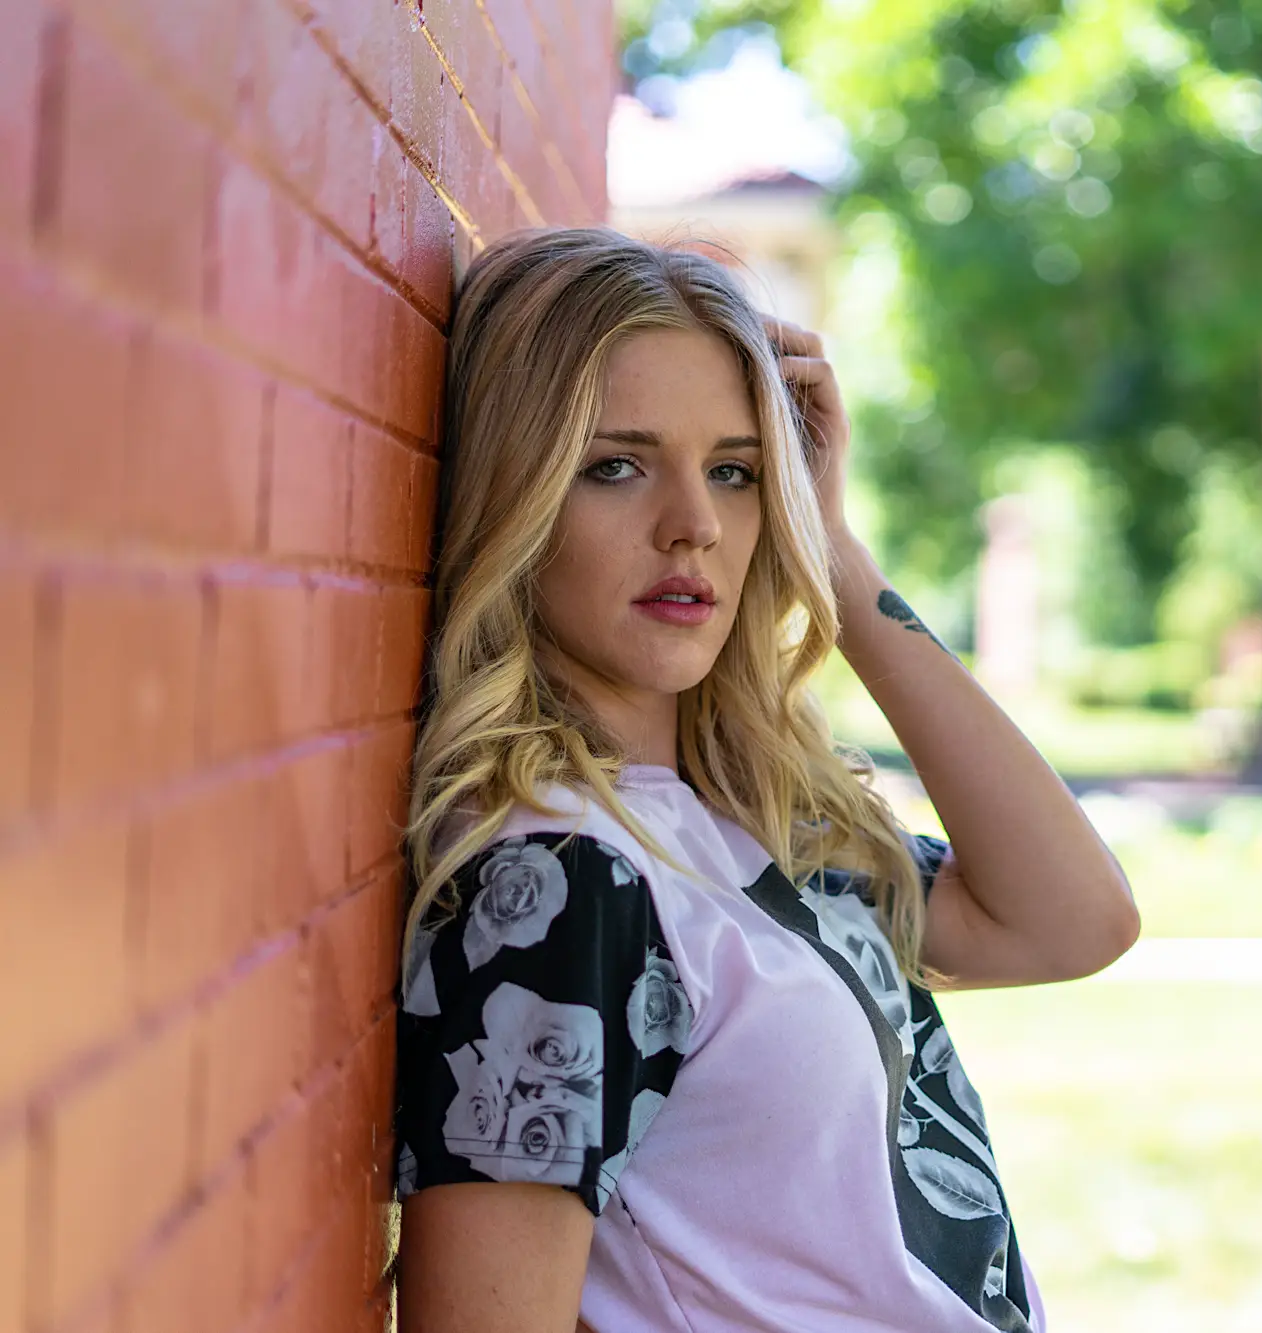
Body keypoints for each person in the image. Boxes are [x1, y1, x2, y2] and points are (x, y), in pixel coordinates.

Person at [392, 228, 1140, 1333]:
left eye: (735, 472)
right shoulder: (557, 884)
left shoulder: (746, 821)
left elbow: (1073, 920)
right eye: (615, 465)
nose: (694, 526)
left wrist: (834, 551)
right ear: (519, 492)